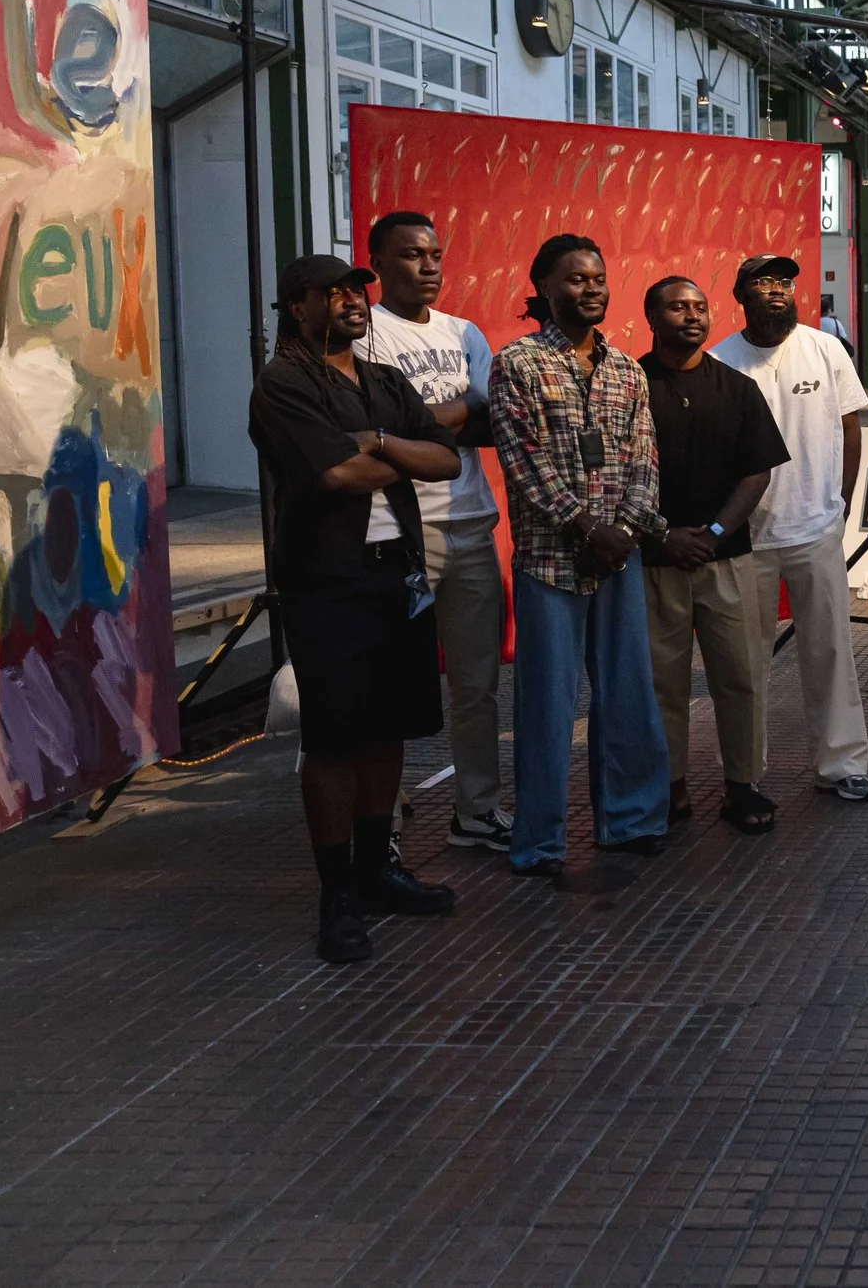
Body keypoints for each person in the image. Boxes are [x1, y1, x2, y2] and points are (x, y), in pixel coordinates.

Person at [247, 255, 462, 964]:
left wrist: (380, 443)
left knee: (390, 724)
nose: (351, 301)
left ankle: (377, 870)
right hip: (326, 579)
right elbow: (337, 473)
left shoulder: (381, 380)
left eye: (356, 291)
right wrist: (396, 452)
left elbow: (450, 458)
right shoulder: (282, 386)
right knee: (335, 736)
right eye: (333, 293)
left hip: (396, 573)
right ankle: (336, 892)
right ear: (296, 306)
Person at [488, 234, 672, 877]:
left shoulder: (627, 371)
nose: (589, 288)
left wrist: (624, 529)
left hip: (620, 558)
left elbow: (645, 459)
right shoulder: (517, 364)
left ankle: (631, 820)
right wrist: (587, 526)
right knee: (544, 707)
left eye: (597, 278)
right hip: (550, 564)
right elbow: (523, 463)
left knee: (628, 695)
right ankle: (540, 840)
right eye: (574, 279)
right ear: (542, 287)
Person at [362, 211, 511, 855]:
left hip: (471, 524)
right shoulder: (365, 334)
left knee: (477, 682)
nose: (429, 267)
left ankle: (475, 810)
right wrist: (428, 423)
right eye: (412, 255)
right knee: (390, 681)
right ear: (377, 265)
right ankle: (382, 819)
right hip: (397, 529)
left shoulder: (464, 331)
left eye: (436, 255)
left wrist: (410, 427)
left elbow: (487, 419)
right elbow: (369, 425)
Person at [711, 254, 868, 804]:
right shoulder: (720, 361)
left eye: (783, 282)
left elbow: (850, 428)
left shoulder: (825, 349)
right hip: (748, 537)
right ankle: (747, 771)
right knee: (747, 661)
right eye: (762, 283)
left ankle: (842, 763)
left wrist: (844, 499)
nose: (776, 291)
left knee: (830, 651)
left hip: (816, 525)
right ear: (741, 295)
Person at [639, 277, 791, 834]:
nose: (693, 317)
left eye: (700, 308)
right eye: (678, 307)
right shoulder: (628, 384)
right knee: (663, 682)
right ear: (652, 318)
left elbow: (758, 471)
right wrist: (662, 536)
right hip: (654, 561)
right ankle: (669, 787)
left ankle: (743, 785)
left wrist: (716, 530)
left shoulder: (737, 388)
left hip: (726, 557)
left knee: (740, 675)